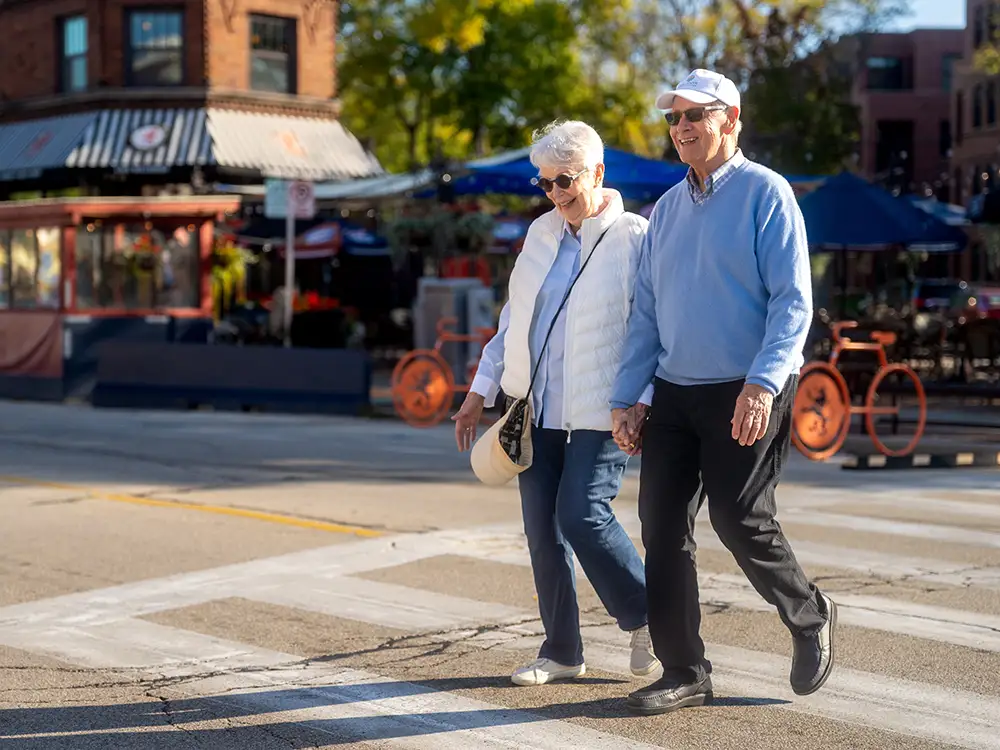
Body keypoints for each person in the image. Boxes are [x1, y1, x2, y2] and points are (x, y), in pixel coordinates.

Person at [610, 69, 836, 715]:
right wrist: (627, 396)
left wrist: (762, 384)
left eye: (695, 115)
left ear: (730, 120)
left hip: (747, 385)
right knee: (661, 527)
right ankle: (684, 670)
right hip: (675, 390)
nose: (681, 127)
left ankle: (810, 614)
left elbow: (792, 302)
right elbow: (647, 315)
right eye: (673, 117)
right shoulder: (665, 211)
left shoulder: (767, 193)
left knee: (739, 519)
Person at [453, 120, 658, 687]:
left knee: (581, 513)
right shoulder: (540, 234)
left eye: (564, 180)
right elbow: (514, 320)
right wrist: (478, 392)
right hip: (534, 408)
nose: (555, 193)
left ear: (597, 172)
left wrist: (641, 399)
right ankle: (562, 650)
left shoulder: (634, 237)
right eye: (544, 183)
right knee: (543, 532)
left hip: (602, 409)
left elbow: (652, 329)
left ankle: (649, 617)